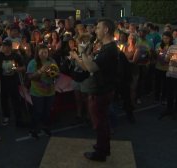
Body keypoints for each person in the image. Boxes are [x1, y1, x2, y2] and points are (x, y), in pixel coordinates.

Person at [71, 18, 118, 161]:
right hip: (101, 90)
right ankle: (102, 147)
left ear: (106, 30)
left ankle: (101, 153)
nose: (95, 30)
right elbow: (87, 66)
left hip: (101, 92)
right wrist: (81, 57)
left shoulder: (109, 49)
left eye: (98, 28)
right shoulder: (105, 47)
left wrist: (82, 53)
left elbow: (91, 67)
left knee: (99, 123)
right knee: (101, 122)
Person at [26, 44, 59, 139]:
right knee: (38, 111)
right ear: (37, 53)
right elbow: (30, 77)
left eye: (46, 52)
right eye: (42, 52)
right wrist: (40, 71)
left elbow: (57, 74)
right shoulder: (33, 63)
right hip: (37, 92)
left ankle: (45, 127)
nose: (44, 54)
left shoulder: (52, 61)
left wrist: (53, 74)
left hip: (50, 91)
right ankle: (33, 129)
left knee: (47, 111)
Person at [0, 39, 26, 127]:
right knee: (4, 100)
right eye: (3, 46)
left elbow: (23, 67)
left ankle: (18, 116)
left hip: (13, 81)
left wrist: (18, 69)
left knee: (15, 99)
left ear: (10, 47)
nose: (4, 48)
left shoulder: (16, 56)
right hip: (3, 81)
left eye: (6, 46)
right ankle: (6, 115)